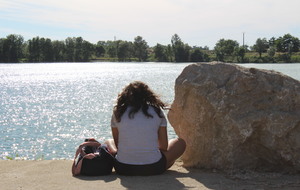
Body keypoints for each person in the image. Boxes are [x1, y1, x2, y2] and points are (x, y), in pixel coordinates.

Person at [105, 81, 186, 175]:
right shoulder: (157, 112)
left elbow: (118, 145)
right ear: (148, 95)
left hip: (123, 168)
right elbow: (164, 147)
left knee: (108, 142)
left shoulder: (118, 113)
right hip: (153, 167)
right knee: (180, 143)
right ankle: (164, 164)